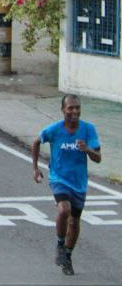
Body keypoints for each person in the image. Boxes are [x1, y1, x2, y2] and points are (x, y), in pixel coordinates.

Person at [33, 94, 103, 276]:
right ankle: (59, 244)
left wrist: (87, 149)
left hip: (79, 183)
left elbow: (98, 158)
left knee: (75, 221)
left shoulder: (88, 130)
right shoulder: (55, 129)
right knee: (64, 210)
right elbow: (36, 142)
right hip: (59, 179)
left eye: (77, 107)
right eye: (70, 108)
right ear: (63, 110)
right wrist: (35, 169)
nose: (74, 111)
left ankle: (68, 256)